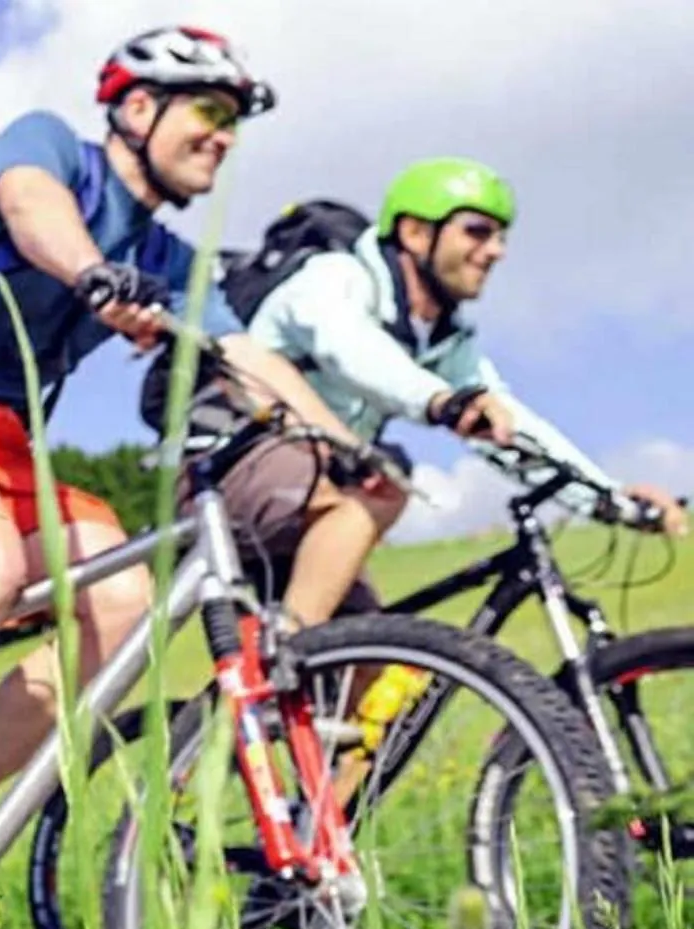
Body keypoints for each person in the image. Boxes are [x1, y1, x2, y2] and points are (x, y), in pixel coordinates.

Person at [0, 25, 365, 929]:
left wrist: (347, 447)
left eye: (234, 122)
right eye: (209, 110)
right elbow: (30, 205)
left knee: (124, 603)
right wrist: (93, 273)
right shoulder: (53, 150)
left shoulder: (167, 259)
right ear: (137, 108)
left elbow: (247, 353)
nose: (224, 136)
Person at [195, 156, 687, 627]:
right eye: (477, 231)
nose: (496, 251)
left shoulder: (445, 340)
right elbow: (351, 349)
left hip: (316, 500)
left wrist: (605, 497)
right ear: (415, 233)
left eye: (501, 237)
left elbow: (509, 422)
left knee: (369, 656)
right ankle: (289, 654)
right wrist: (441, 401)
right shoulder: (335, 277)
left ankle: (299, 663)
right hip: (225, 470)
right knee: (386, 483)